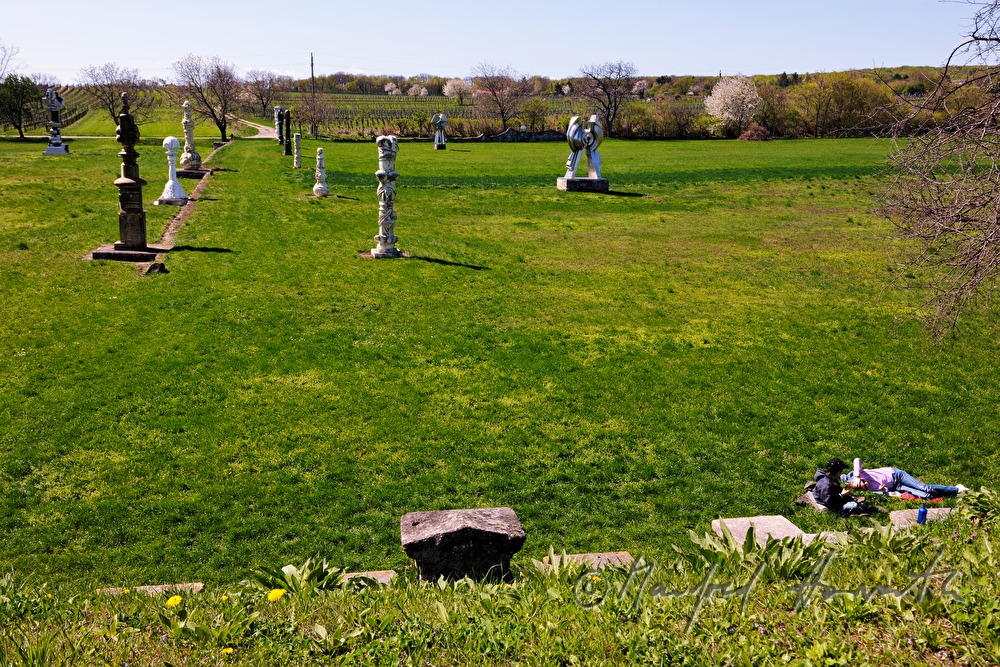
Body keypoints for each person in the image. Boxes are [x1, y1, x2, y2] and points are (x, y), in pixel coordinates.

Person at [843, 458, 967, 499]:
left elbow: (857, 459)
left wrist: (857, 476)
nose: (865, 484)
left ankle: (956, 489)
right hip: (897, 486)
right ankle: (947, 494)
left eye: (862, 482)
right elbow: (888, 493)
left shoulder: (860, 474)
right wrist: (884, 490)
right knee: (925, 495)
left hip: (897, 475)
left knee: (925, 487)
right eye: (863, 487)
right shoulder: (870, 490)